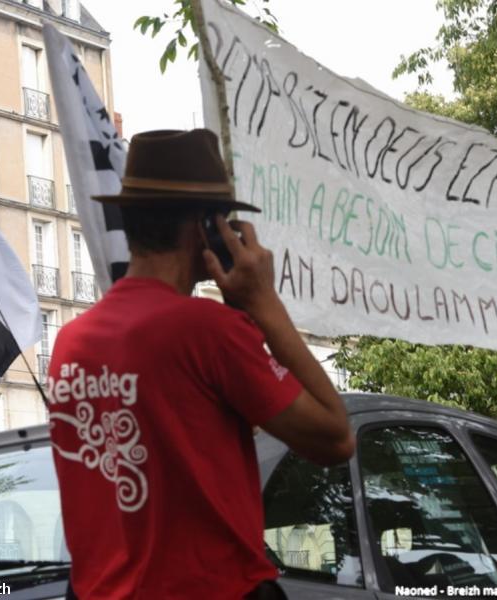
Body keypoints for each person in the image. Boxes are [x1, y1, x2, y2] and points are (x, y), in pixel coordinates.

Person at [46, 128, 355, 600]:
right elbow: (336, 437)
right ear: (205, 229)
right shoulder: (206, 331)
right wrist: (263, 303)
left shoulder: (69, 344)